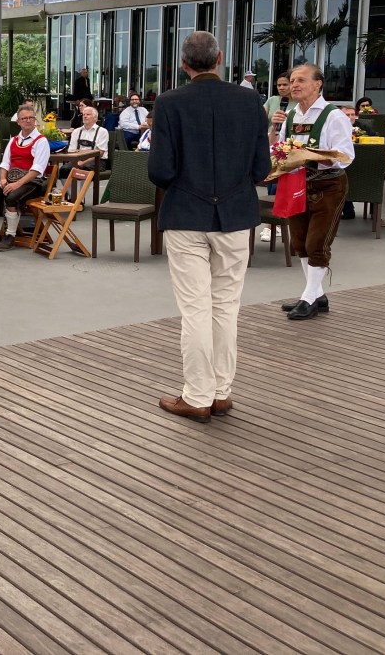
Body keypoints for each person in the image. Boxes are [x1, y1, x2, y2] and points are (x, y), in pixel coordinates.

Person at [149, 30, 270, 423]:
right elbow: (262, 169)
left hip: (186, 215)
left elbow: (160, 170)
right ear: (220, 59)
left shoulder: (169, 102)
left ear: (184, 64)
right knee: (226, 307)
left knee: (195, 309)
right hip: (235, 216)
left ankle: (197, 395)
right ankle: (220, 392)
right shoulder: (250, 101)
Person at [270, 63, 355, 320]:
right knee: (299, 242)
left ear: (318, 84)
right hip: (297, 184)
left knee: (316, 243)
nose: (294, 85)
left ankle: (308, 299)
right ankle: (317, 296)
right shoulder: (291, 115)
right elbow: (278, 150)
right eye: (292, 81)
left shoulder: (334, 116)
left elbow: (345, 156)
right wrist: (274, 131)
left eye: (301, 80)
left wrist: (309, 156)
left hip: (328, 185)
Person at [0, 105, 50, 250]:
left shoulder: (41, 141)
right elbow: (5, 163)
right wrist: (2, 179)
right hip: (11, 181)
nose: (28, 121)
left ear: (35, 120)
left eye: (31, 118)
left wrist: (16, 184)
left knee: (11, 197)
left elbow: (37, 170)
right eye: (24, 118)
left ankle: (10, 236)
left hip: (32, 183)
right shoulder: (13, 140)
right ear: (18, 122)